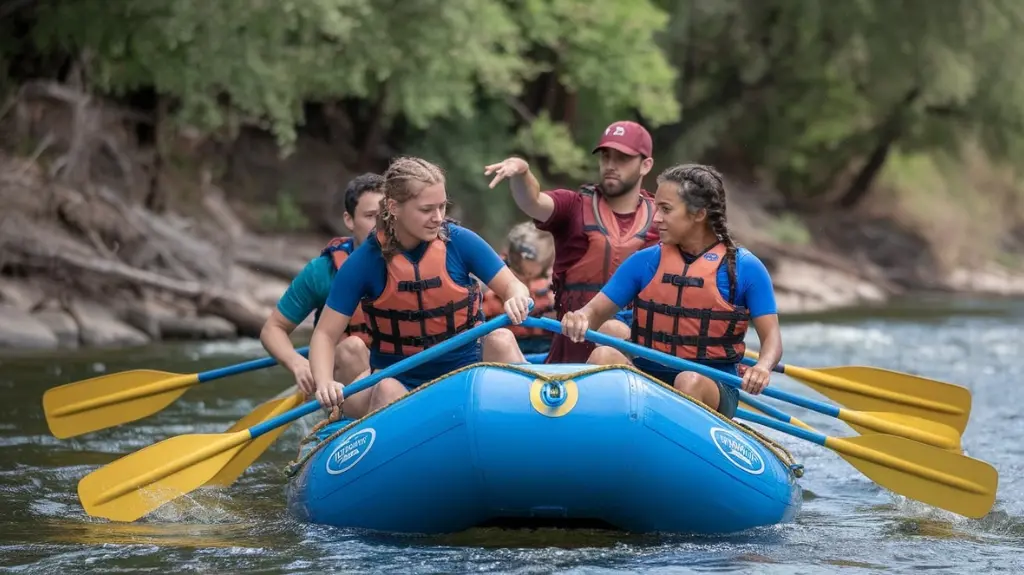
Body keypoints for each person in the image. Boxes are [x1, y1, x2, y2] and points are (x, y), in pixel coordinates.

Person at [309, 156, 532, 413]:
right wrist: (325, 382)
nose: (438, 218)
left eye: (442, 207)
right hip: (401, 377)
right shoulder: (366, 260)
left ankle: (531, 426)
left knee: (501, 339)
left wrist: (516, 297)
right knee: (386, 388)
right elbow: (325, 335)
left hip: (466, 369)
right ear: (393, 207)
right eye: (427, 210)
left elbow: (515, 287)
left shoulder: (460, 242)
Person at [560, 164, 783, 418]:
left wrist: (763, 367)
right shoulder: (645, 261)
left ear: (699, 214)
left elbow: (773, 341)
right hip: (647, 375)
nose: (656, 218)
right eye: (657, 208)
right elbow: (594, 312)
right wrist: (579, 318)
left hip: (711, 384)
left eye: (666, 210)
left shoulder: (745, 268)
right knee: (602, 355)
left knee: (688, 381)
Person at [484, 120, 660, 363]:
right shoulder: (573, 207)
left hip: (630, 355)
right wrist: (523, 173)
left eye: (622, 158)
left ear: (646, 165)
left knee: (614, 331)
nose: (610, 165)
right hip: (568, 353)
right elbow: (532, 201)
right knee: (496, 340)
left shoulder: (664, 222)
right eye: (606, 157)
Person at [260, 173, 383, 418]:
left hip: (388, 366)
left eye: (385, 217)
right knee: (352, 348)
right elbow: (272, 329)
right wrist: (297, 363)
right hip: (342, 375)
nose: (379, 225)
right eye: (370, 217)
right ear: (349, 220)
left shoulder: (410, 260)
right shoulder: (322, 271)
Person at [481, 222, 557, 356]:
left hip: (546, 354)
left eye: (535, 277)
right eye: (519, 273)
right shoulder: (489, 286)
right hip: (506, 352)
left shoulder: (553, 291)